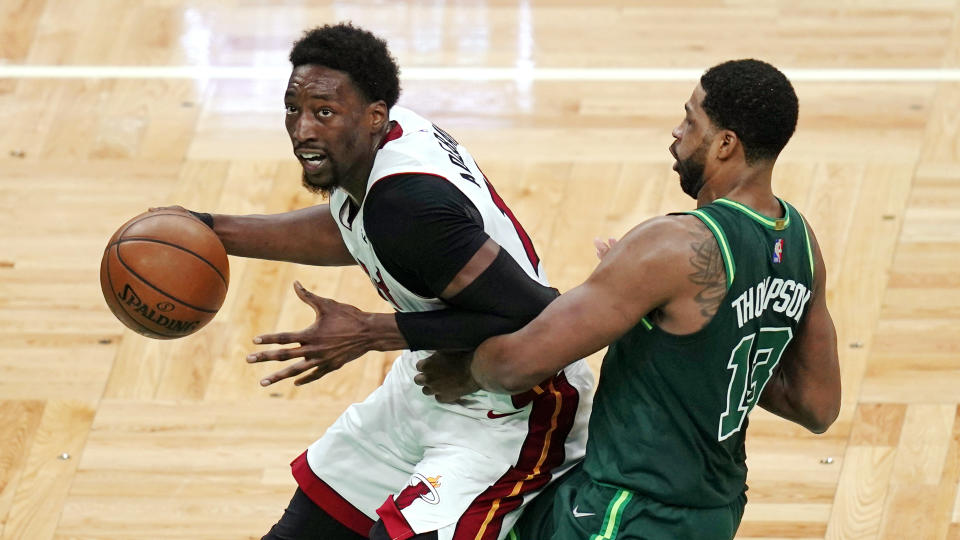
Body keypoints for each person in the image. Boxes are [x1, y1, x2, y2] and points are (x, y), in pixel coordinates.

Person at [175, 23, 593, 540]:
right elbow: (354, 228)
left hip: (515, 409)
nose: (303, 130)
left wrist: (373, 330)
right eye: (293, 109)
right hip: (429, 381)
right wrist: (212, 230)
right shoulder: (384, 153)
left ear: (374, 116)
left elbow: (542, 317)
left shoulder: (408, 201)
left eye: (324, 112)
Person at [416, 59, 842, 539]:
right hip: (713, 512)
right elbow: (817, 405)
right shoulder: (802, 246)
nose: (676, 134)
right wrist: (694, 325)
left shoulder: (674, 245)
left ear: (726, 144)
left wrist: (465, 369)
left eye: (690, 120)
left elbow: (515, 366)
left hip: (628, 511)